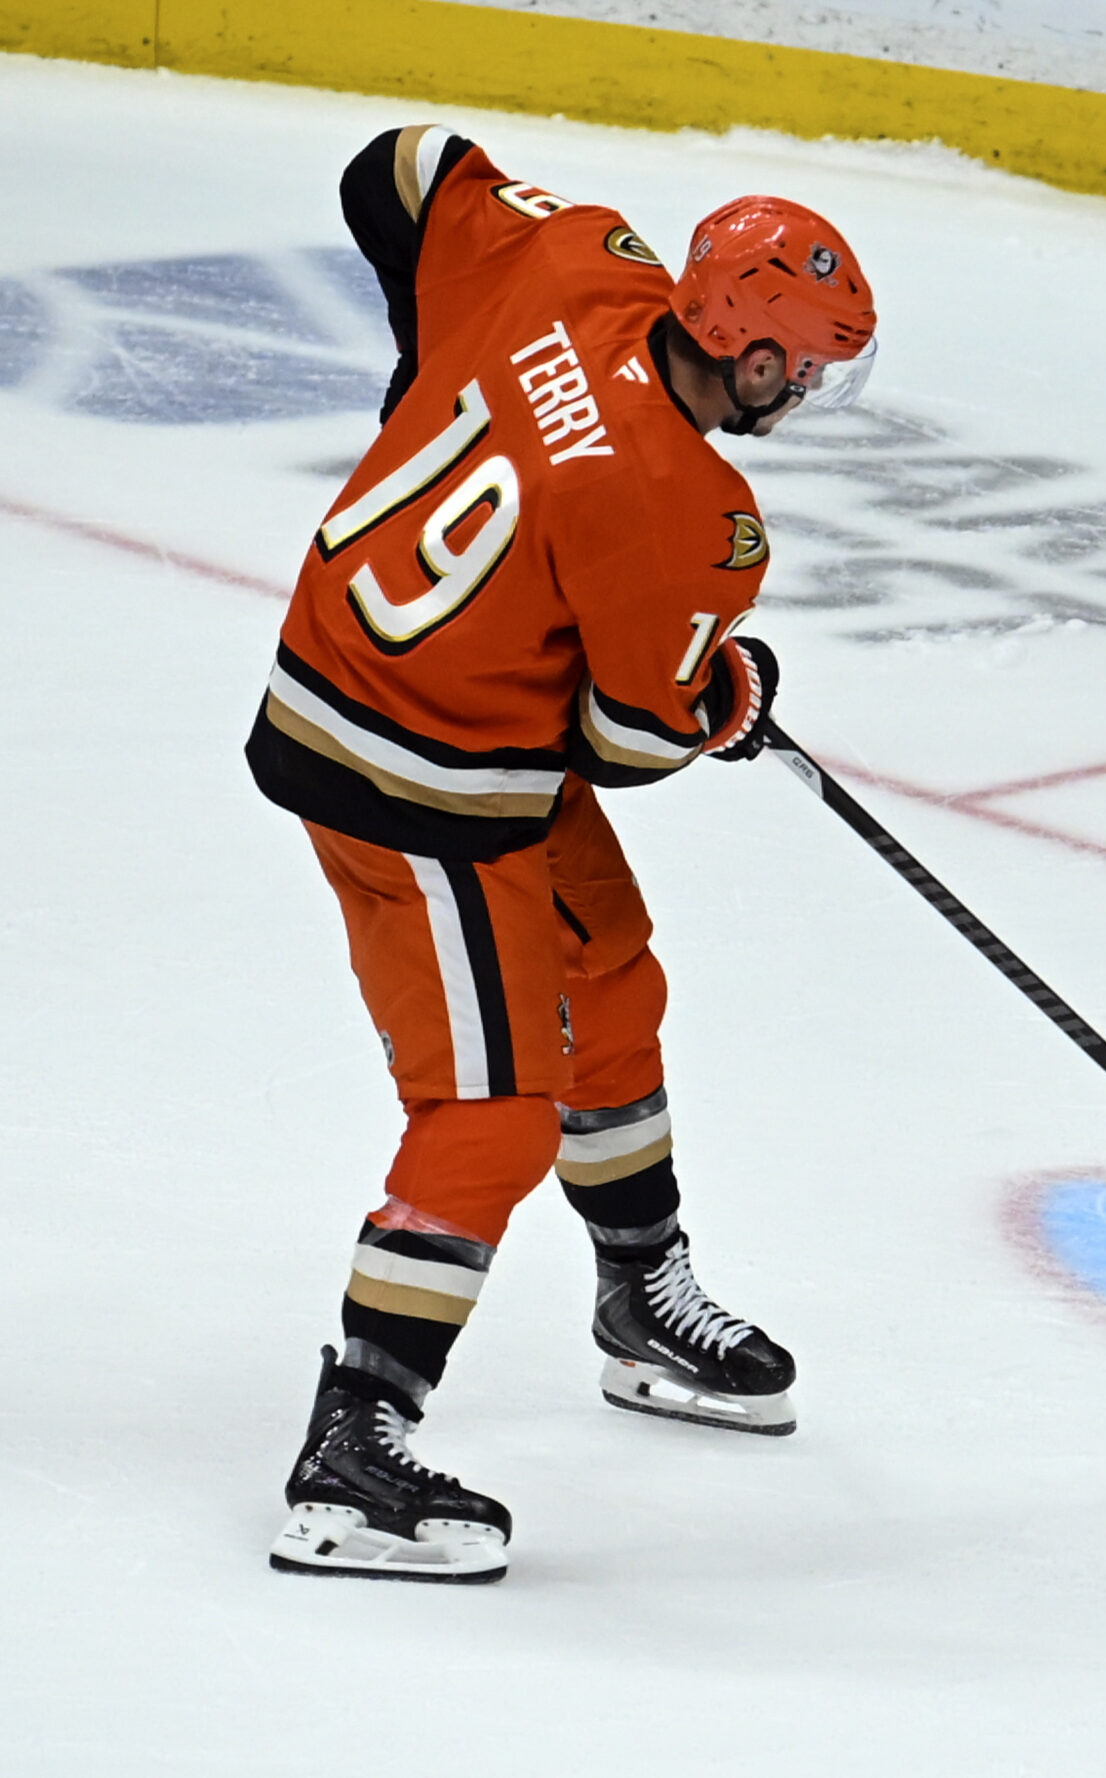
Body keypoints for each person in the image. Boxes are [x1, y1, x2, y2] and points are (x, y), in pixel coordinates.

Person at [245, 125, 878, 1582]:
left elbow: (394, 166)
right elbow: (631, 742)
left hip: (453, 716)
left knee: (614, 983)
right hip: (409, 777)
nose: (818, 390)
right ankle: (355, 1440)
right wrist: (731, 694)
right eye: (816, 364)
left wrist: (426, 380)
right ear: (761, 360)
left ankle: (639, 1290)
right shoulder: (691, 520)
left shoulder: (575, 254)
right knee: (491, 1115)